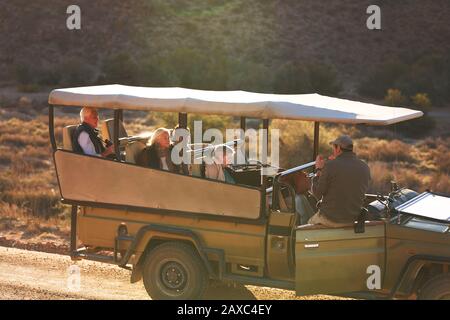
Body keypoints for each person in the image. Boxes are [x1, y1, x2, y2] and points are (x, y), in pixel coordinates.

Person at [307, 135, 371, 227]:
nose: (333, 151)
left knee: (306, 226)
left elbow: (317, 193)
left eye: (334, 148)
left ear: (338, 148)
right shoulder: (365, 167)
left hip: (330, 219)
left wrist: (318, 170)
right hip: (352, 219)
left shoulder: (330, 166)